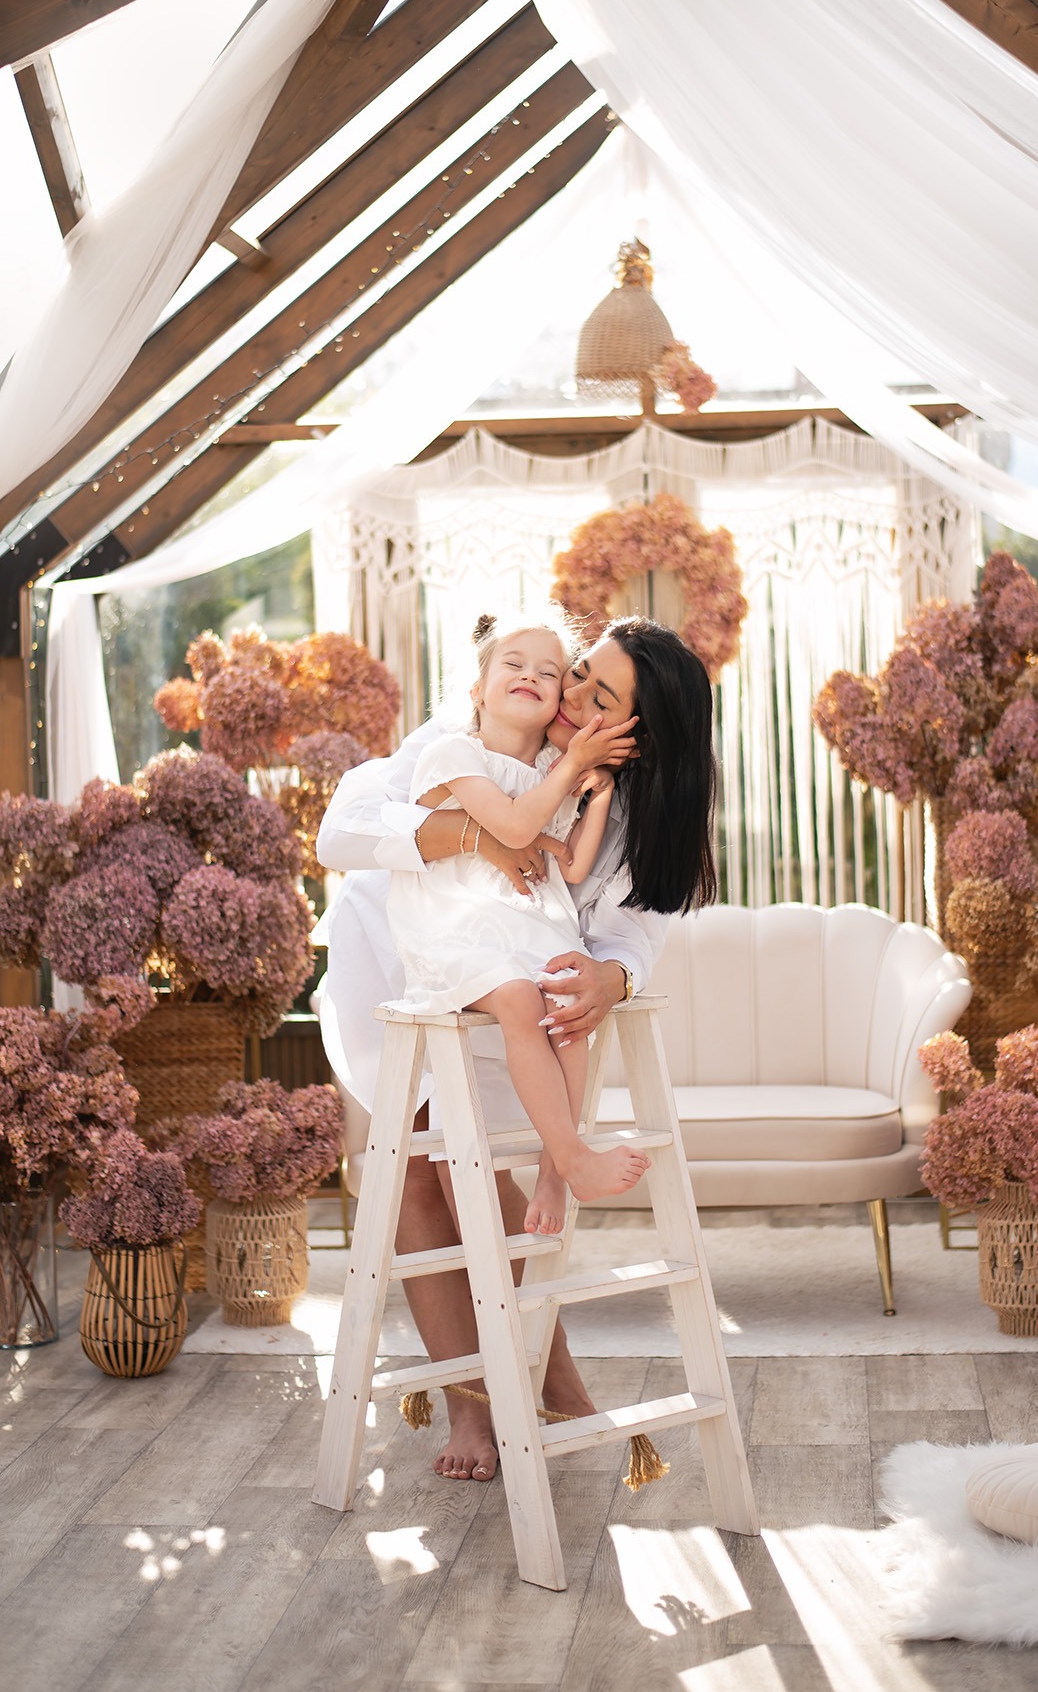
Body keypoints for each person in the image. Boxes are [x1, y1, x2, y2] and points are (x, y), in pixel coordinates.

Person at [317, 615, 718, 1481]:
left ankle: (540, 1376)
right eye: (579, 672)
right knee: (419, 1166)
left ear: (641, 737)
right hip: (401, 950)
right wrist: (470, 836)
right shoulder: (479, 726)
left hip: (514, 969)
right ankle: (476, 1406)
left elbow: (634, 931)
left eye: (599, 697)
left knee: (472, 1165)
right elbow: (340, 833)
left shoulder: (623, 804)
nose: (567, 696)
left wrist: (612, 977)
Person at [387, 612, 652, 1236]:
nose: (530, 675)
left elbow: (573, 864)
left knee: (566, 1006)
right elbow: (511, 827)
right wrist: (572, 766)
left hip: (527, 920)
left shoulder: (552, 774)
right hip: (454, 923)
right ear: (476, 690)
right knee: (516, 997)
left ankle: (556, 1173)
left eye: (549, 672)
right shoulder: (455, 753)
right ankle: (573, 1154)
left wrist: (598, 794)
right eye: (513, 664)